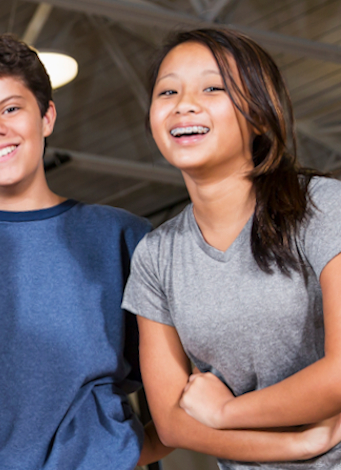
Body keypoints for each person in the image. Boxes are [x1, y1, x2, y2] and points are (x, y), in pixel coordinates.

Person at [0, 34, 170, 469]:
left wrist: (132, 453)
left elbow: (186, 390)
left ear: (46, 116)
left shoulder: (122, 238)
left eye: (11, 108)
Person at [126, 28, 341, 467]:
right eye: (168, 91)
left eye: (212, 87)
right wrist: (293, 446)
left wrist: (226, 412)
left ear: (260, 116)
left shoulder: (324, 207)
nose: (184, 103)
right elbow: (170, 421)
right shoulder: (156, 256)